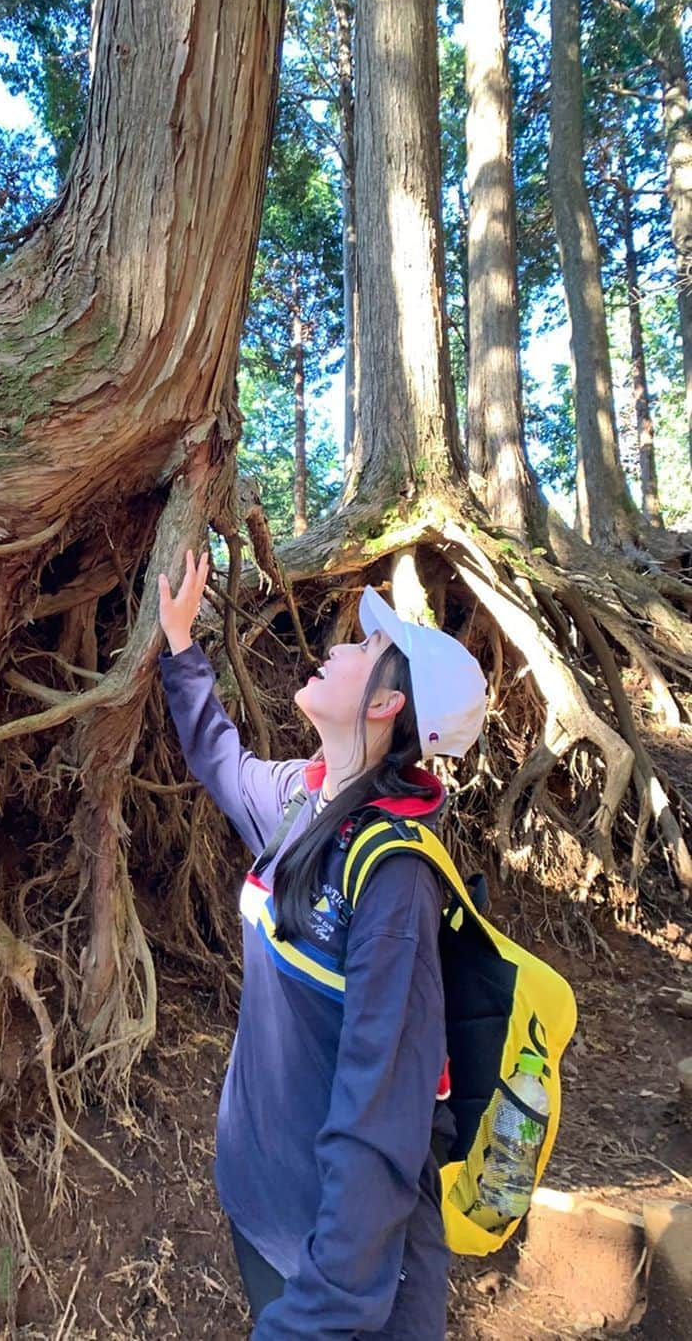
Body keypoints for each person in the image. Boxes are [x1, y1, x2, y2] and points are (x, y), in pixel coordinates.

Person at [157, 549, 488, 1339]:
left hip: (343, 1276)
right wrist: (181, 647)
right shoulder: (306, 801)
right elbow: (224, 764)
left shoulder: (394, 881)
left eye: (366, 650)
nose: (340, 647)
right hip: (265, 1211)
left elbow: (383, 1116)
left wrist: (323, 1309)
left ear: (386, 706)